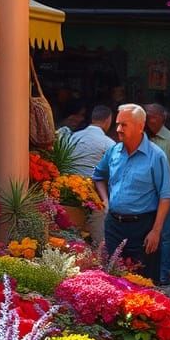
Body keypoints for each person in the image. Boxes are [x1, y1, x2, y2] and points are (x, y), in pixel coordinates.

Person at [92, 103, 170, 284]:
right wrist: (106, 201)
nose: (118, 129)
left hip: (143, 227)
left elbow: (166, 195)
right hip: (114, 225)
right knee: (112, 279)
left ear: (140, 126)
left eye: (124, 125)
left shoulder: (156, 155)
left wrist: (156, 230)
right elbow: (98, 176)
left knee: (144, 282)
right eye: (117, 124)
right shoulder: (113, 151)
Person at [145, 103, 170, 287]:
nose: (148, 120)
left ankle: (162, 273)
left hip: (167, 197)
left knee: (165, 236)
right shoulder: (141, 137)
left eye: (151, 116)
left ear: (162, 117)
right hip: (146, 197)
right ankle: (146, 272)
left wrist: (162, 186)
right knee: (147, 233)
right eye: (146, 116)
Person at [70, 105, 115, 245]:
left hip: (68, 192)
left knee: (71, 235)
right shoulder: (109, 144)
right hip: (95, 197)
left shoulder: (73, 137)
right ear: (108, 120)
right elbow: (114, 174)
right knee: (98, 239)